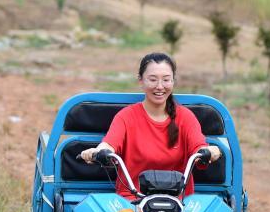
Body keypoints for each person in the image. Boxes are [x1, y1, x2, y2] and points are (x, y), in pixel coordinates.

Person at [80, 52, 222, 198]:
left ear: (173, 81)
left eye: (166, 80)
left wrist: (210, 151)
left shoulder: (186, 117)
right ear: (141, 81)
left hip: (178, 202)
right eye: (153, 80)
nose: (160, 86)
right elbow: (110, 144)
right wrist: (98, 151)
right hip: (133, 200)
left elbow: (198, 147)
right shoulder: (126, 117)